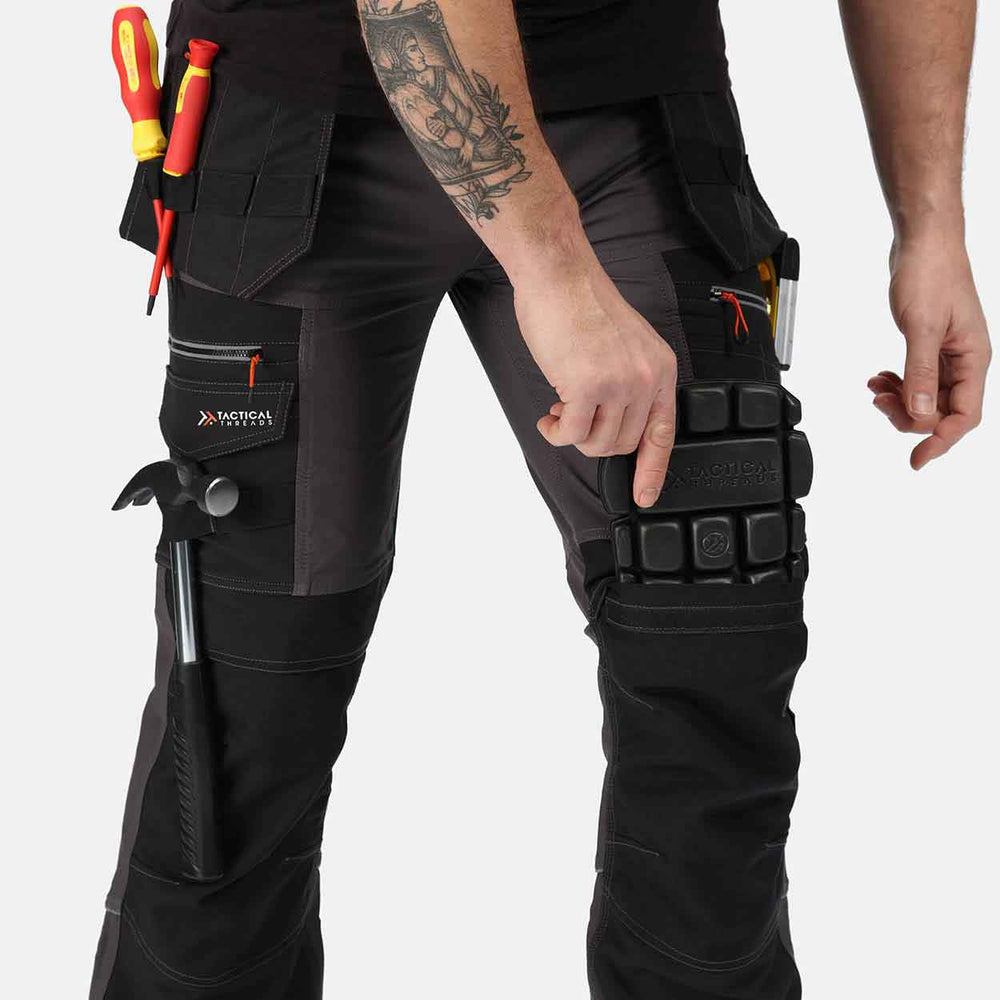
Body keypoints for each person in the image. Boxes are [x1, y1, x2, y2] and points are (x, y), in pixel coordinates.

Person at [90, 2, 991, 998]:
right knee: (245, 710)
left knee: (713, 632)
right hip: (303, 125)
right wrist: (554, 270)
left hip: (635, 115)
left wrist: (932, 226)